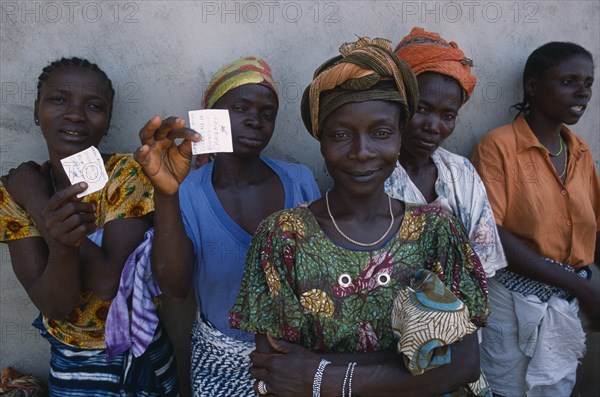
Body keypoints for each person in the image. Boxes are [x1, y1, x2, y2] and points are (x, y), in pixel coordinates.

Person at [229, 37, 489, 396]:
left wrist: (323, 375)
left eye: (381, 133)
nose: (362, 152)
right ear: (321, 141)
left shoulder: (435, 231)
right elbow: (278, 372)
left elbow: (463, 364)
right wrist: (407, 366)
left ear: (399, 137)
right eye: (341, 135)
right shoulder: (284, 238)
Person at [134, 56, 320, 396]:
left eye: (267, 114)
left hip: (294, 359)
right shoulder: (187, 191)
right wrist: (165, 194)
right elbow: (174, 289)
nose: (255, 121)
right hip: (218, 358)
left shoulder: (299, 180)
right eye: (241, 109)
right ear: (211, 116)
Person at [0, 57, 179, 396]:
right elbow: (55, 304)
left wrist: (41, 207)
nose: (75, 114)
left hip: (140, 351)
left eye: (94, 106)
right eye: (58, 99)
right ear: (37, 112)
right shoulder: (13, 193)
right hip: (71, 359)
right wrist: (57, 232)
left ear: (108, 121)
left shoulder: (127, 174)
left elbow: (109, 282)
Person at [472, 42, 600, 396]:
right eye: (569, 81)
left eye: (588, 82)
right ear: (532, 86)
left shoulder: (581, 151)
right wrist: (581, 288)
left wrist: (583, 288)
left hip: (567, 305)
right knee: (509, 388)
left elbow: (593, 228)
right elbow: (492, 234)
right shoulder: (498, 146)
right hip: (512, 305)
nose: (582, 92)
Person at [386, 27, 506, 278]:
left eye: (447, 116)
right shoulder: (373, 171)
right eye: (421, 109)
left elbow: (481, 263)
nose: (433, 126)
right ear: (398, 102)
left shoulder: (461, 172)